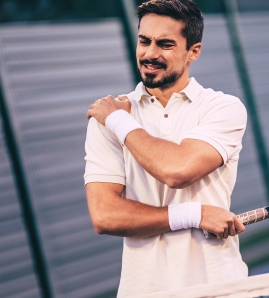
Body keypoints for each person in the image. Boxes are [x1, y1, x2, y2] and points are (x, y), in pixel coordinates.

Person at [84, 0, 248, 296]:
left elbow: (178, 170)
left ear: (193, 51)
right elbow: (105, 215)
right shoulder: (106, 118)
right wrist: (193, 214)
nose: (150, 53)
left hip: (221, 287)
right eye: (144, 41)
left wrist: (120, 122)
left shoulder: (222, 108)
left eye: (165, 44)